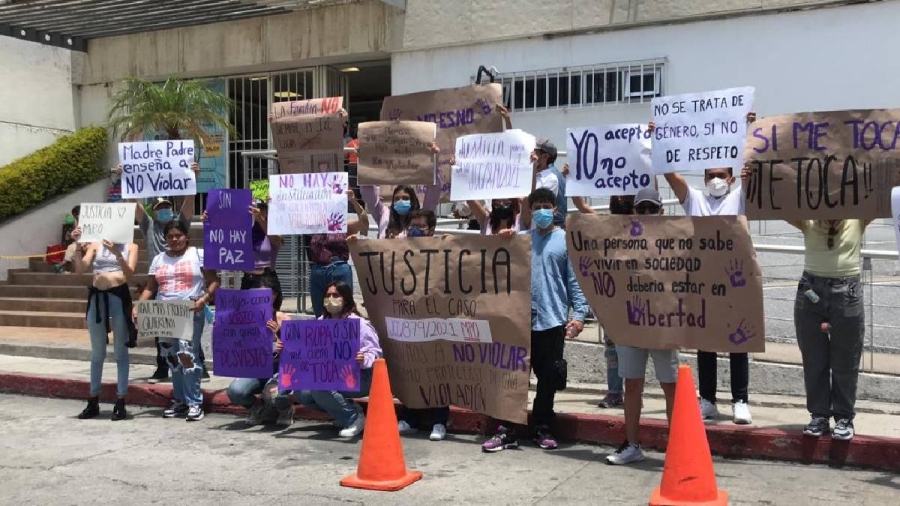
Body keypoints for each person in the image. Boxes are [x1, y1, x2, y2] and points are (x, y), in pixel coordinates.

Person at [658, 112, 754, 425]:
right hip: (703, 281)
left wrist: (749, 129)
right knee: (706, 341)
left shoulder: (739, 198)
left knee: (739, 340)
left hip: (736, 281)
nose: (715, 180)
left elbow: (756, 169)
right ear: (704, 178)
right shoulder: (696, 201)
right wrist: (660, 138)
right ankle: (709, 399)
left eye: (721, 175)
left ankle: (740, 400)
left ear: (731, 179)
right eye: (710, 175)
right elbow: (672, 177)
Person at [482, 188, 588, 452]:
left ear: (554, 209)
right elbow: (495, 267)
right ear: (529, 211)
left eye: (546, 206)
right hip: (518, 322)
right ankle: (507, 429)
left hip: (552, 321)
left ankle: (542, 426)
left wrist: (579, 315)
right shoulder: (519, 239)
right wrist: (502, 240)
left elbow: (575, 281)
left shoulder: (565, 241)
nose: (541, 210)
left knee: (548, 379)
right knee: (513, 377)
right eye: (536, 206)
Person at [605, 188, 680, 465]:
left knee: (670, 386)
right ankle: (632, 444)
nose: (647, 214)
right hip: (632, 322)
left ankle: (676, 448)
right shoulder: (622, 240)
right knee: (632, 384)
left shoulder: (675, 239)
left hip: (663, 324)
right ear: (635, 211)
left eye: (652, 209)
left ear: (661, 211)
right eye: (642, 209)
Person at [124, 161, 205, 383]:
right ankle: (162, 367)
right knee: (162, 330)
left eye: (167, 207)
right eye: (160, 208)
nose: (164, 211)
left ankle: (198, 363)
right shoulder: (148, 226)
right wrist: (126, 178)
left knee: (188, 328)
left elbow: (189, 201)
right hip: (158, 280)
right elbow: (135, 203)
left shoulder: (180, 225)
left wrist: (193, 177)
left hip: (182, 281)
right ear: (154, 212)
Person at [136, 220, 219, 422]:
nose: (174, 240)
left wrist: (204, 299)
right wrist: (138, 305)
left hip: (189, 311)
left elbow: (214, 281)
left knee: (188, 356)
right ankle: (180, 400)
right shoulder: (158, 259)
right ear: (165, 239)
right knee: (172, 359)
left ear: (186, 236)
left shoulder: (198, 254)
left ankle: (194, 402)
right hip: (164, 313)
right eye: (170, 236)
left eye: (178, 235)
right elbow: (150, 287)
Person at [295, 281, 383, 438]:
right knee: (302, 393)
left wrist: (363, 359)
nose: (331, 299)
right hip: (331, 375)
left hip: (359, 377)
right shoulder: (321, 323)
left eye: (336, 295)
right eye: (327, 295)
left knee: (319, 387)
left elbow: (376, 352)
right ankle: (346, 409)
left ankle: (353, 418)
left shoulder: (359, 324)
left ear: (346, 299)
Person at [393, 209, 452, 441]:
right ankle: (410, 417)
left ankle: (439, 420)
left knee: (438, 371)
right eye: (413, 226)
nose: (417, 230)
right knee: (412, 370)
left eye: (422, 226)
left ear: (432, 229)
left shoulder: (443, 250)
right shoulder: (399, 252)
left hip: (437, 320)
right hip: (410, 318)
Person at [73, 231, 139, 421]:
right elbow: (80, 270)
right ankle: (93, 398)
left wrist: (117, 254)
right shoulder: (95, 245)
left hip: (118, 295)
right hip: (97, 297)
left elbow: (129, 274)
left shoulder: (131, 246)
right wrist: (78, 246)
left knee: (120, 350)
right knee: (97, 352)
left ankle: (121, 399)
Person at [225, 276, 294, 428]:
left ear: (275, 296)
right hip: (255, 369)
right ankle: (256, 408)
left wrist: (279, 333)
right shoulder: (244, 319)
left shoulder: (283, 319)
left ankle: (285, 409)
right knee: (235, 391)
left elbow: (295, 352)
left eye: (267, 295)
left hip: (277, 370)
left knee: (273, 393)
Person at [306, 190, 369, 317]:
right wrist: (274, 204)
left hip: (339, 268)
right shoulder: (311, 226)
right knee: (320, 313)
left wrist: (354, 201)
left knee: (345, 310)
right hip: (318, 271)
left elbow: (364, 224)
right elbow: (285, 220)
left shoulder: (344, 225)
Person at [521, 139, 567, 230]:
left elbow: (531, 199)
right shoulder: (529, 174)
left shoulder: (551, 179)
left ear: (545, 156)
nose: (530, 155)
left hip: (537, 228)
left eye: (535, 153)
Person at [58, 205, 83, 274]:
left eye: (76, 215)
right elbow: (75, 232)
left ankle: (63, 263)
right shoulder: (75, 221)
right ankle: (64, 263)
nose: (75, 217)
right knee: (71, 246)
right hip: (78, 241)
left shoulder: (86, 221)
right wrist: (71, 235)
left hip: (86, 242)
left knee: (73, 247)